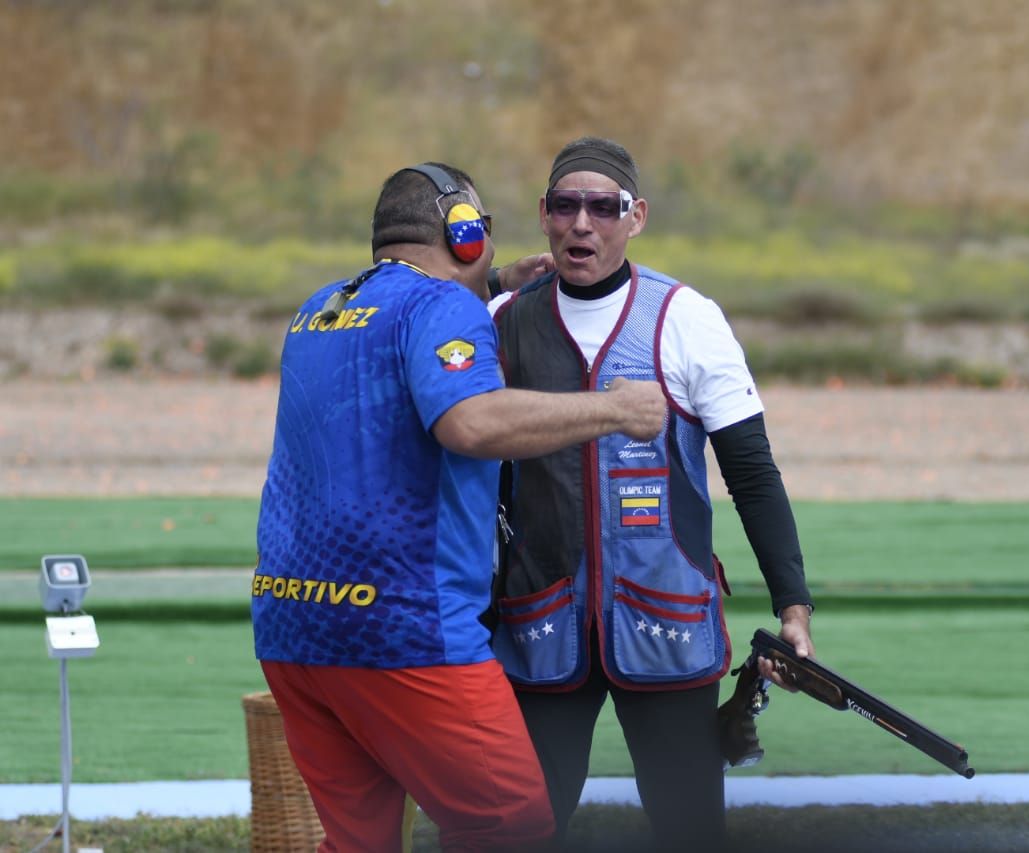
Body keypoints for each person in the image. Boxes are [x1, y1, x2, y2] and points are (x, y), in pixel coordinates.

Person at [251, 161, 667, 853]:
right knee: (511, 825)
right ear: (463, 233)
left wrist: (497, 286)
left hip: (292, 628)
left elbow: (401, 326)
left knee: (359, 843)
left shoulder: (319, 308)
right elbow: (469, 423)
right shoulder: (443, 309)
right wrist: (615, 408)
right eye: (483, 232)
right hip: (403, 628)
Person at [487, 137, 816, 850]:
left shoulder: (689, 318)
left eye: (603, 207)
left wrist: (793, 606)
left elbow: (753, 474)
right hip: (537, 622)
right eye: (567, 205)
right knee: (519, 832)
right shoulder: (501, 319)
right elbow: (403, 320)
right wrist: (485, 283)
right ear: (543, 214)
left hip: (666, 621)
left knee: (690, 830)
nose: (583, 224)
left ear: (636, 217)